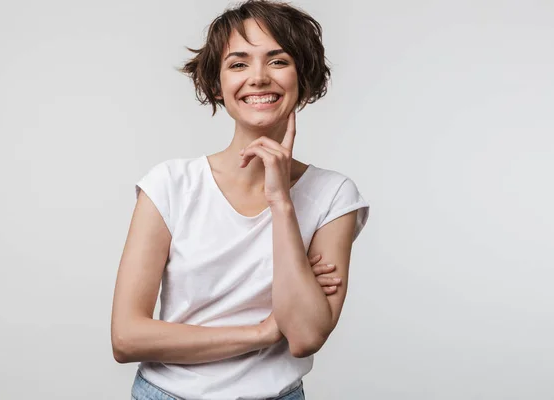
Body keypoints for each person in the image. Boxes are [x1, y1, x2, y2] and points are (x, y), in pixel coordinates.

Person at [111, 1, 370, 399]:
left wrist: (281, 200)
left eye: (278, 60)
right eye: (238, 64)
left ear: (304, 74)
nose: (259, 78)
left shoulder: (333, 195)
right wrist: (262, 333)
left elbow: (304, 336)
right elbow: (126, 338)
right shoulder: (170, 184)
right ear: (217, 84)